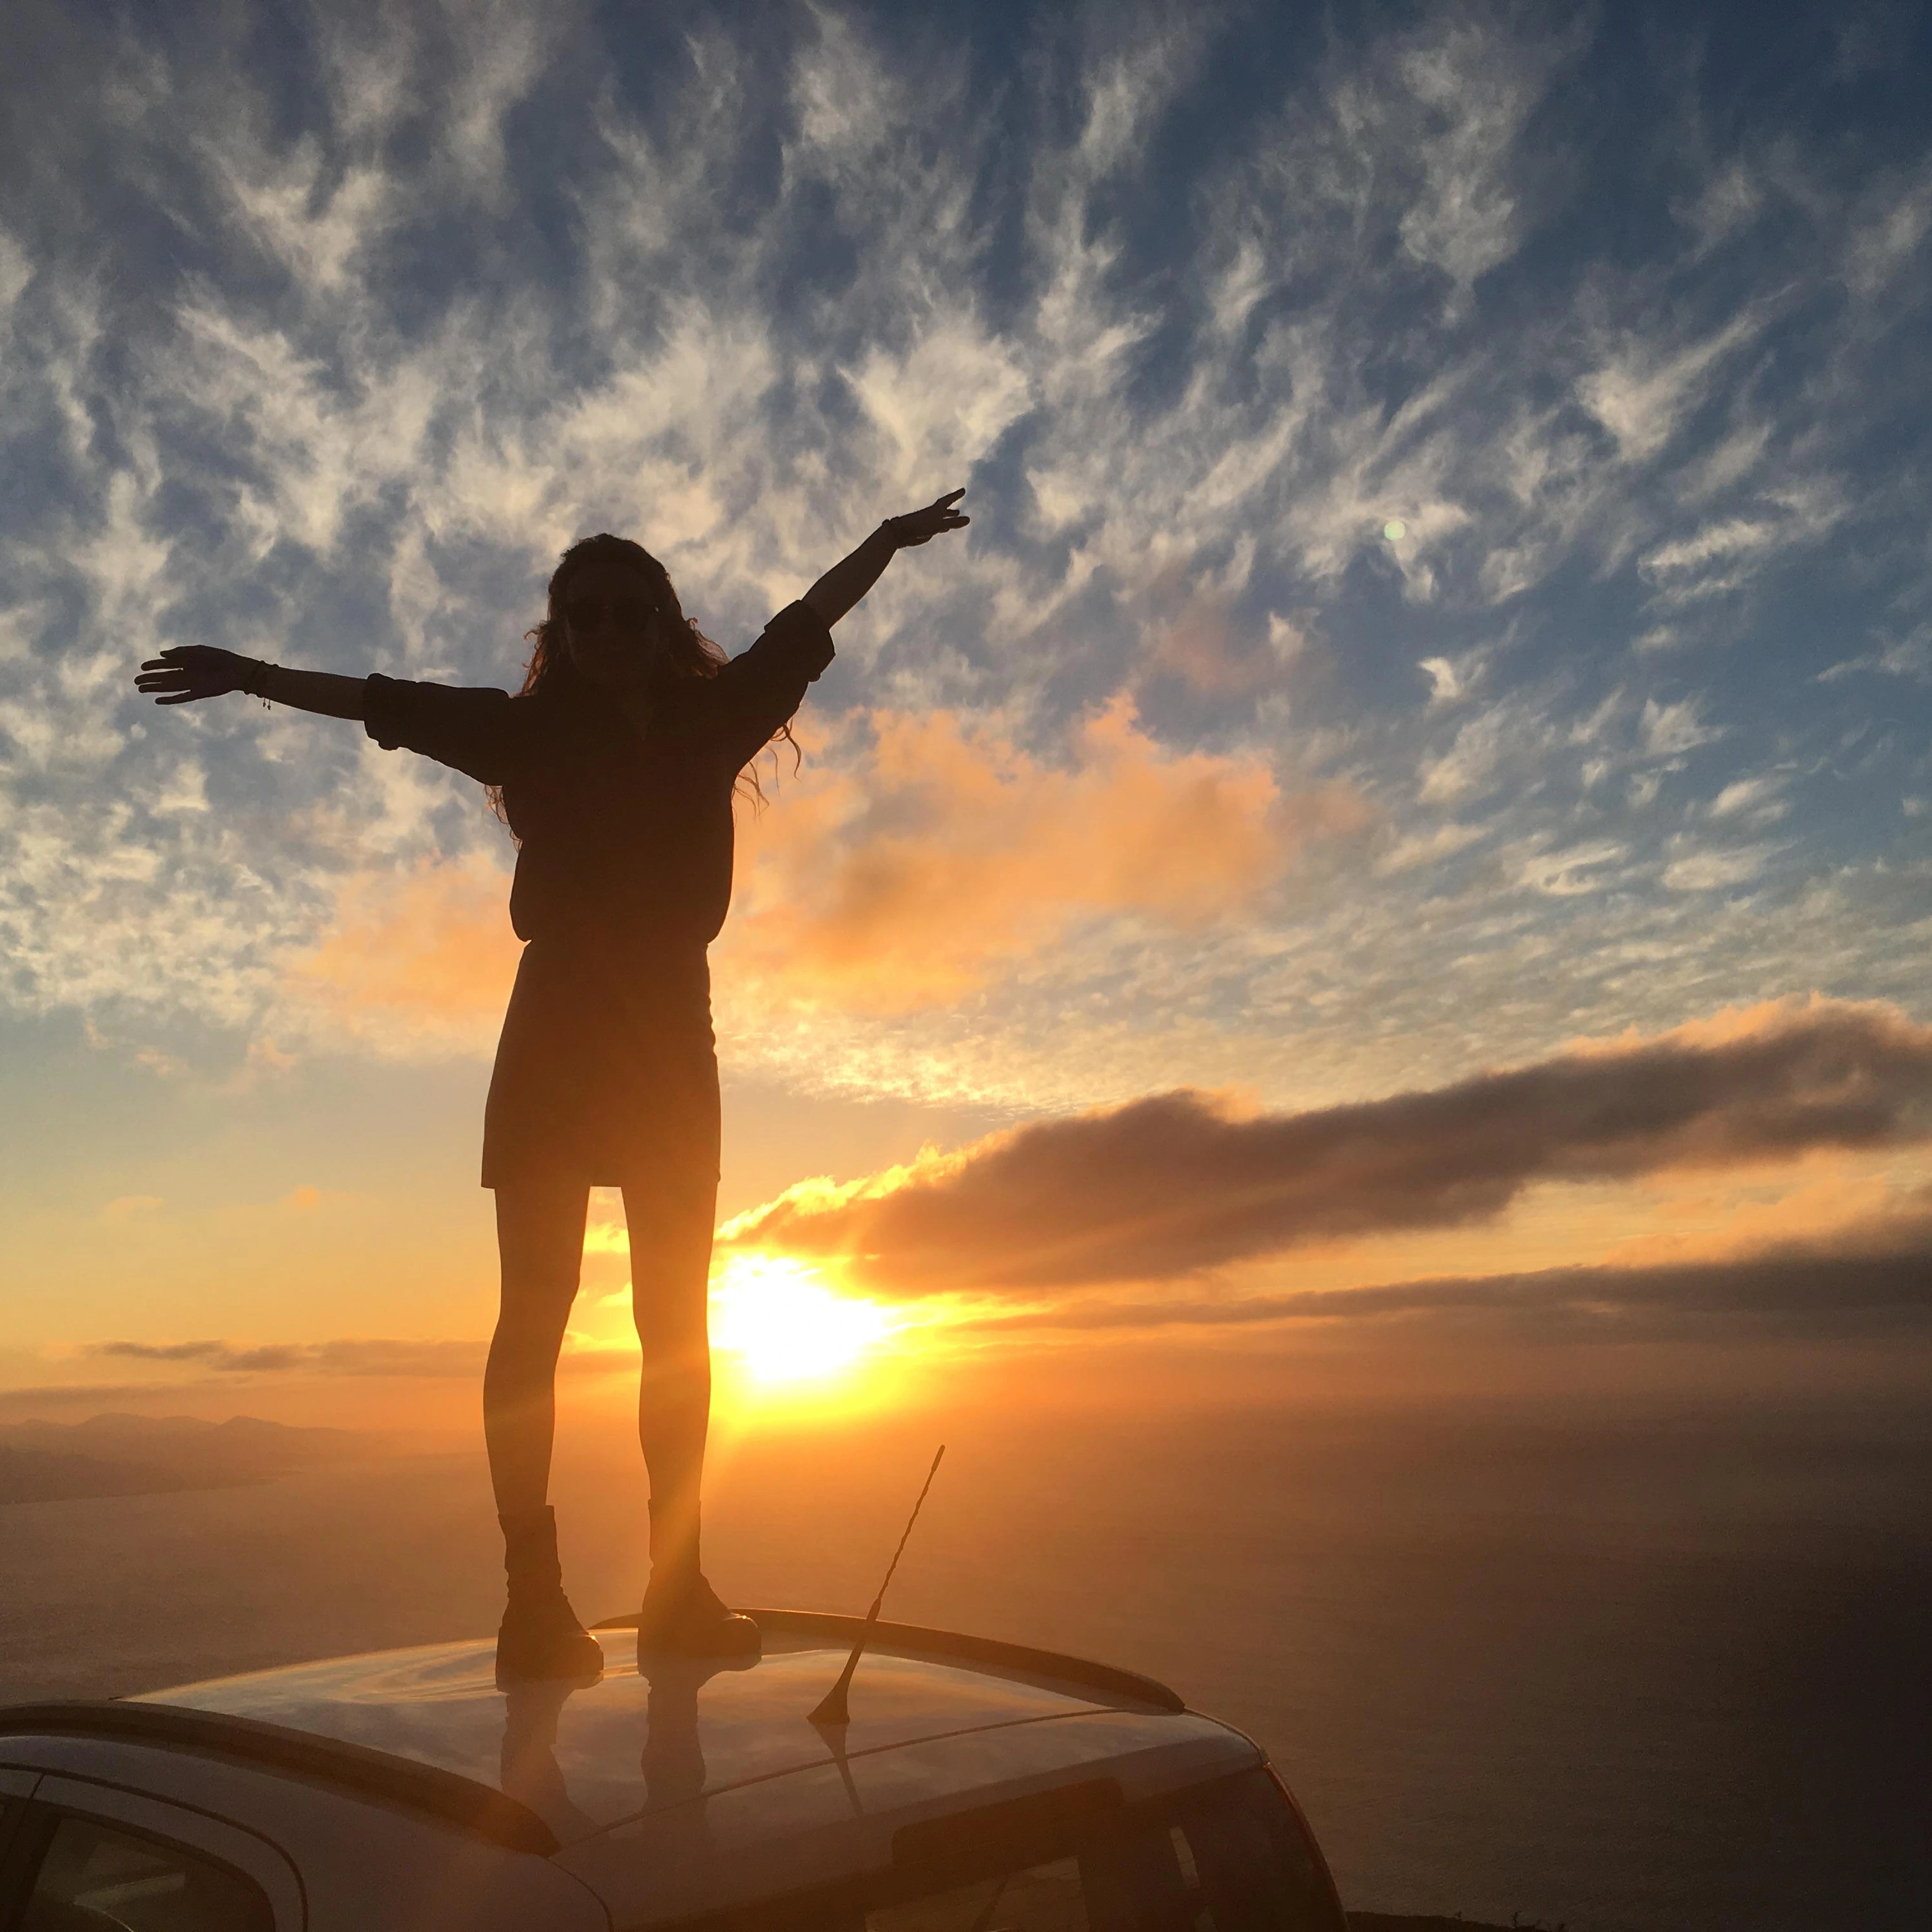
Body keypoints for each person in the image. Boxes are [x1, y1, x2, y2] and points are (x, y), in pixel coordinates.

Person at [135, 489, 970, 1679]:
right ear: (561, 633)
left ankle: (676, 1591)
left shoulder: (714, 715)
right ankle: (535, 1600)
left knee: (677, 1327)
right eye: (585, 616)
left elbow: (804, 621)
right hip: (559, 1032)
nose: (610, 631)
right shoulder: (520, 734)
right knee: (536, 1315)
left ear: (661, 617)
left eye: (631, 611)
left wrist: (887, 543)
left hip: (671, 1040)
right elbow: (374, 700)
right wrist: (245, 674)